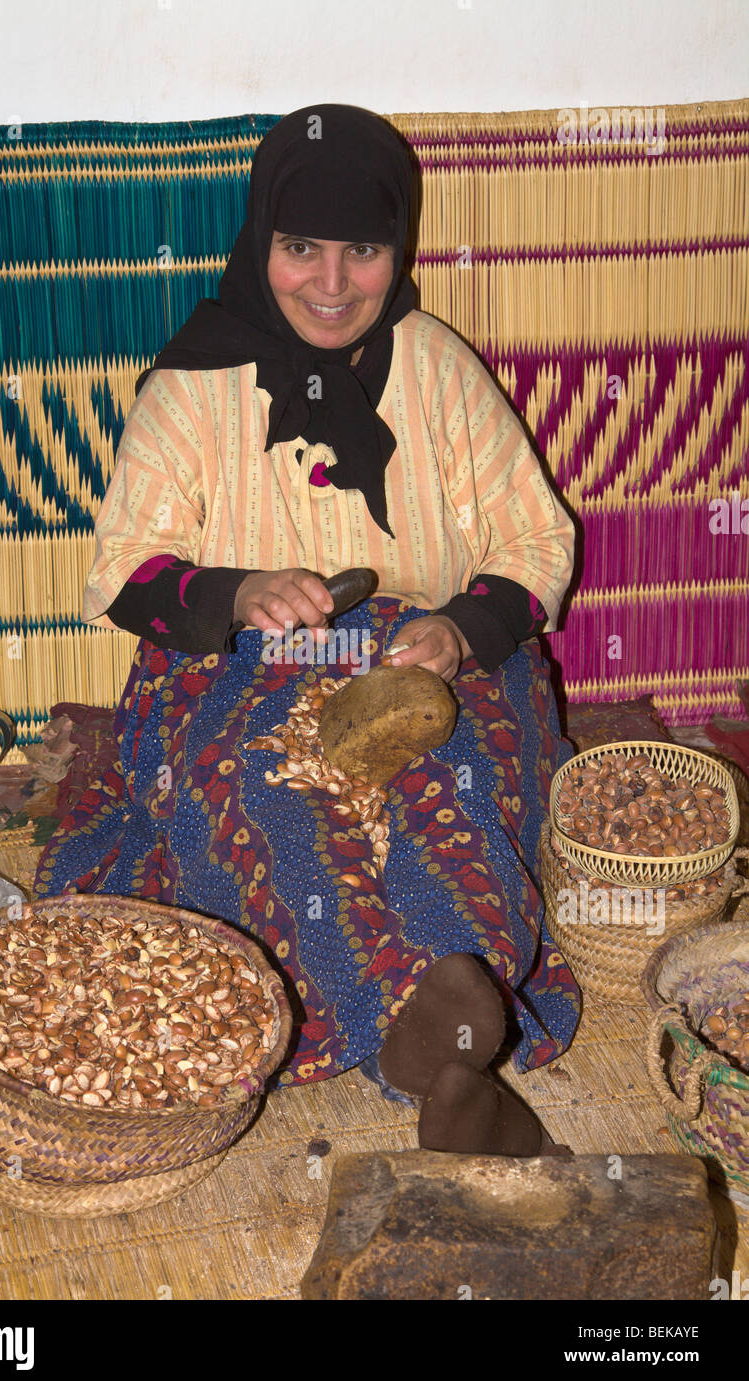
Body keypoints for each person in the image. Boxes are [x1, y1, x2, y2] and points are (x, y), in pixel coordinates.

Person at [34, 104, 581, 1155]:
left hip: (419, 645)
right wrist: (234, 594)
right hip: (234, 661)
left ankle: (452, 990)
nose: (331, 286)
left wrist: (463, 631)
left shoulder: (434, 366)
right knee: (258, 789)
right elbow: (120, 570)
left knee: (452, 774)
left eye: (363, 251)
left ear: (397, 251)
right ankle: (422, 1038)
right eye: (300, 249)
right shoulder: (192, 383)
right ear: (259, 243)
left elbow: (534, 539)